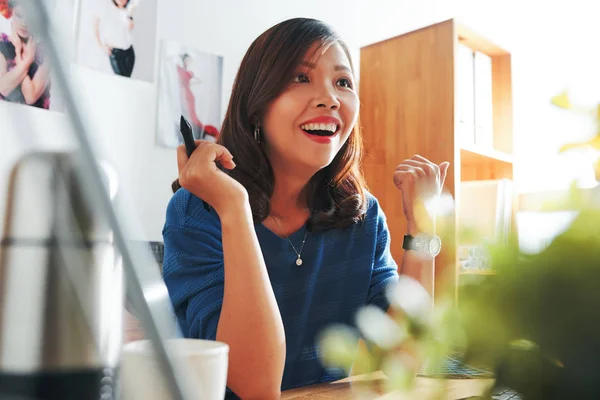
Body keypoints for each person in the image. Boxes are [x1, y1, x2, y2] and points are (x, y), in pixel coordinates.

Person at [163, 18, 449, 399]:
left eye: (343, 82)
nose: (329, 97)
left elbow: (405, 361)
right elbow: (255, 387)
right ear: (257, 105)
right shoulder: (197, 212)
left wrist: (424, 228)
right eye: (301, 78)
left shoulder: (362, 217)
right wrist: (234, 207)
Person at [0, 0, 51, 109]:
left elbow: (31, 96)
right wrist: (25, 59)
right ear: (11, 12)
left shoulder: (46, 52)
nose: (24, 23)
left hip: (40, 121)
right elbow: (3, 87)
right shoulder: (1, 44)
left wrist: (20, 58)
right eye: (19, 15)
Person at [176, 53, 219, 141]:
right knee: (186, 108)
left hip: (188, 93)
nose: (188, 63)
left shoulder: (187, 72)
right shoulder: (180, 70)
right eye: (187, 61)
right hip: (184, 92)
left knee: (190, 109)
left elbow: (197, 80)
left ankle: (193, 123)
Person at [94, 0, 136, 78]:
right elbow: (95, 27)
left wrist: (129, 14)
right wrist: (101, 45)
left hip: (128, 51)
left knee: (127, 80)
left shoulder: (127, 11)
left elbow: (131, 27)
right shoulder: (106, 7)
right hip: (115, 52)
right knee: (120, 79)